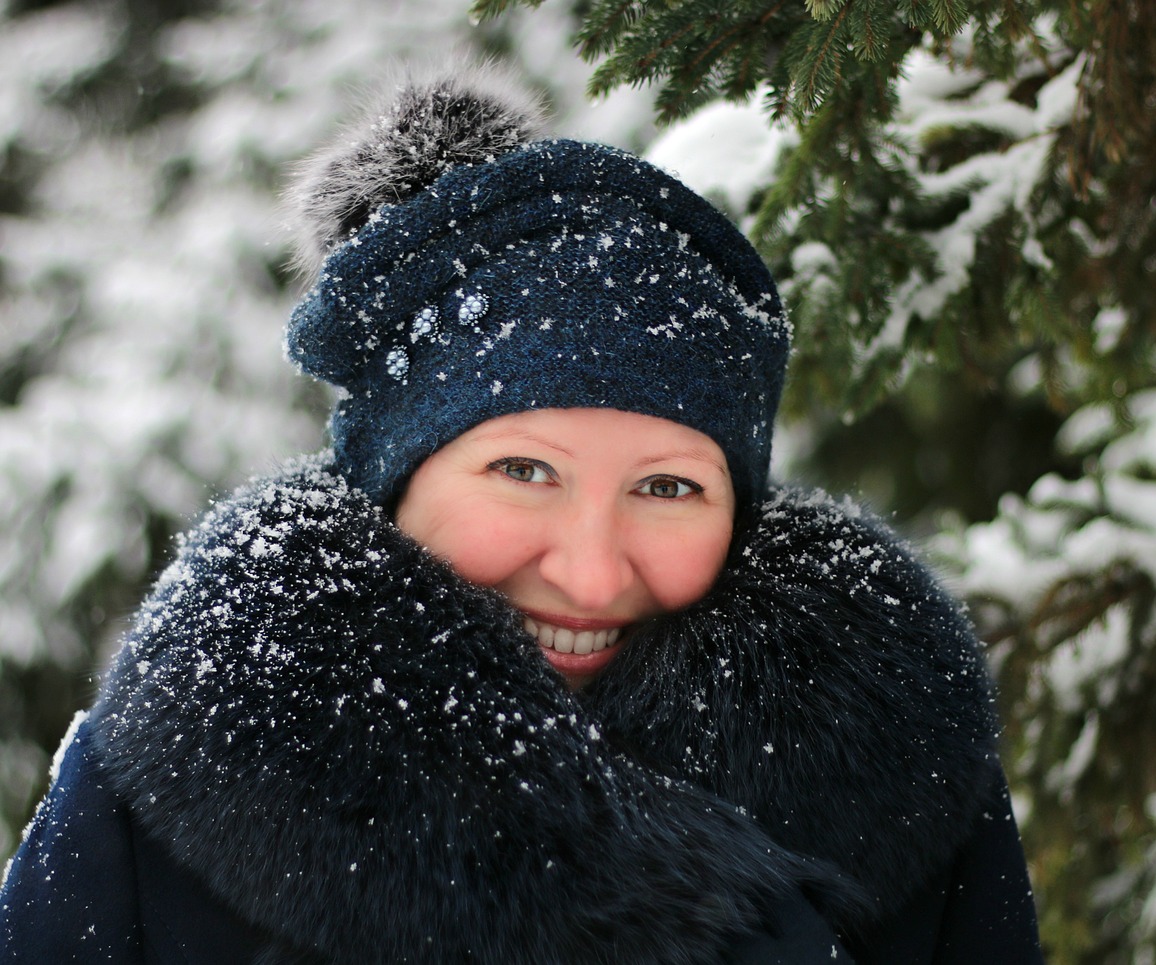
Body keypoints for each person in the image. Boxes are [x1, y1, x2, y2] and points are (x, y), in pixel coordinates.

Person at [0, 65, 1043, 963]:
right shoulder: (190, 765)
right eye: (522, 470)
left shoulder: (895, 772)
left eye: (668, 485)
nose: (589, 574)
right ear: (392, 483)